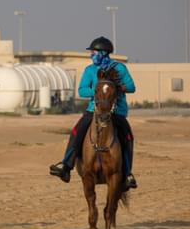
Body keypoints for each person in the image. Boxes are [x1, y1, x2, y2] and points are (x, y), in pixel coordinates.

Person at [49, 36, 137, 188]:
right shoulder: (89, 70)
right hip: (93, 110)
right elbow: (82, 90)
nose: (91, 55)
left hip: (117, 111)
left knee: (127, 137)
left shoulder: (120, 68)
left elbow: (131, 87)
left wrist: (117, 88)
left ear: (104, 53)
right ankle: (66, 165)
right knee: (76, 132)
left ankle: (127, 174)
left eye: (94, 52)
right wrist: (97, 91)